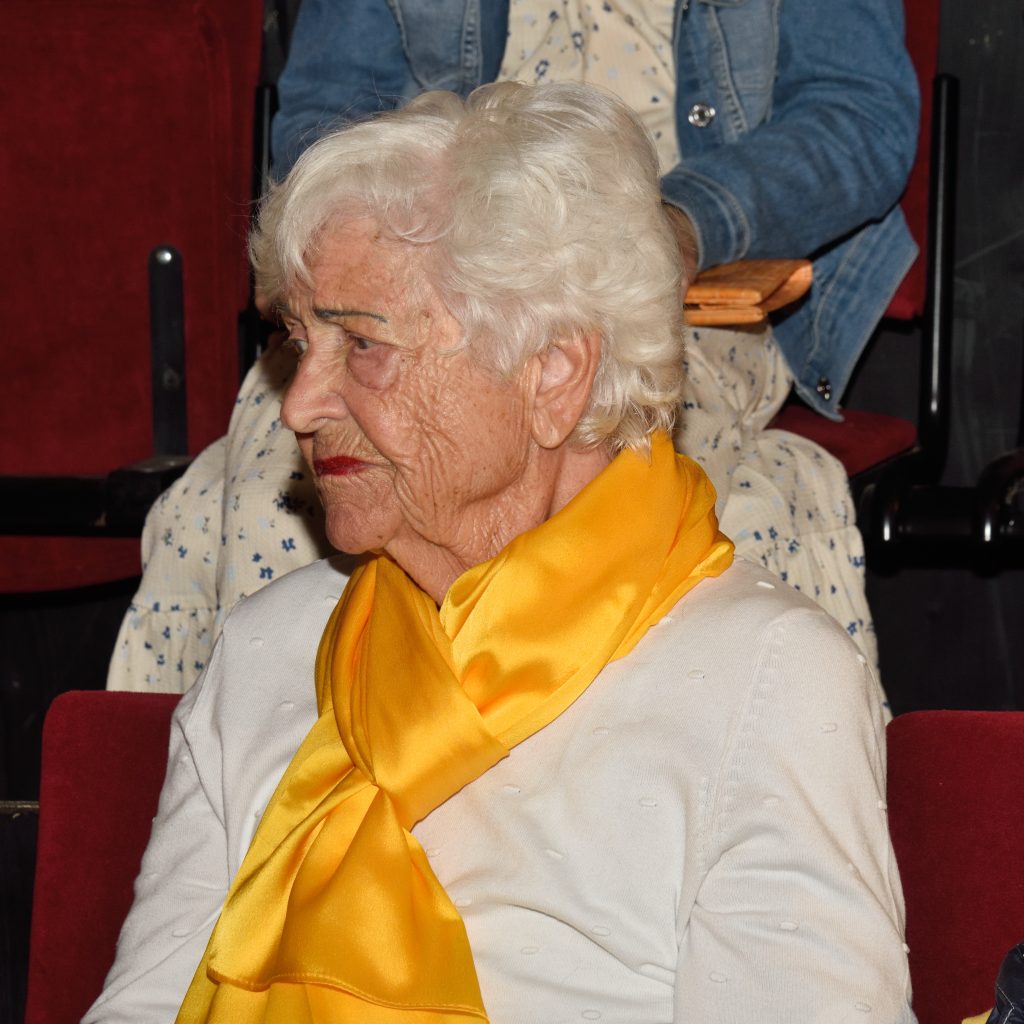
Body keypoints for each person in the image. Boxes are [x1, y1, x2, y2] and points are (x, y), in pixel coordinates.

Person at [88, 82, 915, 1023]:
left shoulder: (765, 677)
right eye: (296, 341)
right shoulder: (267, 648)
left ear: (553, 372)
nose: (299, 404)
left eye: (361, 344)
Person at [105, 0, 917, 696]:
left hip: (668, 283)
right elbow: (328, 112)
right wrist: (415, 233)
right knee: (264, 507)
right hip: (420, 263)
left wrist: (676, 223)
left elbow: (859, 118)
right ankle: (299, 797)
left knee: (639, 517)